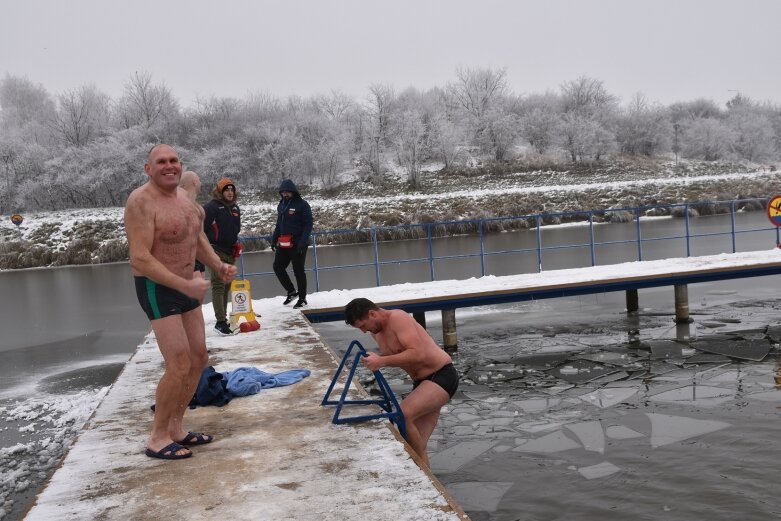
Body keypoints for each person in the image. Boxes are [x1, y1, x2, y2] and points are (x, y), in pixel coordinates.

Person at [124, 144, 237, 460]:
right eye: (161, 162)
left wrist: (217, 265)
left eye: (174, 160)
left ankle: (176, 427)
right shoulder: (141, 202)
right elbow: (141, 258)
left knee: (199, 357)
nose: (169, 166)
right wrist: (184, 284)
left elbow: (196, 238)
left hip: (186, 287)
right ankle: (157, 437)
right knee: (178, 362)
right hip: (157, 288)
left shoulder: (186, 203)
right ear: (148, 169)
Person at [344, 298, 458, 466]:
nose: (363, 331)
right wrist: (374, 360)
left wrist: (381, 361)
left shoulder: (398, 318)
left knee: (403, 415)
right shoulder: (376, 332)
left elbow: (418, 353)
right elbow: (398, 356)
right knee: (415, 446)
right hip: (421, 382)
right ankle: (428, 483)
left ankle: (423, 476)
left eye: (362, 325)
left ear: (372, 313)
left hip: (441, 375)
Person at [203, 177, 242, 335]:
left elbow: (235, 229)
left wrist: (235, 243)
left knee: (227, 285)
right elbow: (201, 229)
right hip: (215, 250)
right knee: (218, 285)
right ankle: (220, 322)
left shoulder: (235, 208)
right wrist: (208, 248)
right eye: (227, 189)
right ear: (220, 192)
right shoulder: (212, 207)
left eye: (232, 189)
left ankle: (223, 319)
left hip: (230, 251)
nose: (230, 192)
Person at [271, 179, 312, 309]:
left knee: (298, 271)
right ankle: (291, 291)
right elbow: (279, 224)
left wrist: (303, 242)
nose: (285, 194)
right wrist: (274, 239)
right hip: (284, 243)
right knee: (278, 266)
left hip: (298, 243)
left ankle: (302, 298)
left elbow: (308, 224)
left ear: (293, 191)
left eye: (287, 191)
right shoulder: (281, 205)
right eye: (283, 192)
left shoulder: (302, 205)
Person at [179, 170, 205, 275]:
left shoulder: (197, 207)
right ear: (194, 182)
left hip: (196, 258)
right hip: (188, 259)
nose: (200, 183)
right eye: (199, 180)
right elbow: (200, 237)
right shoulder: (193, 207)